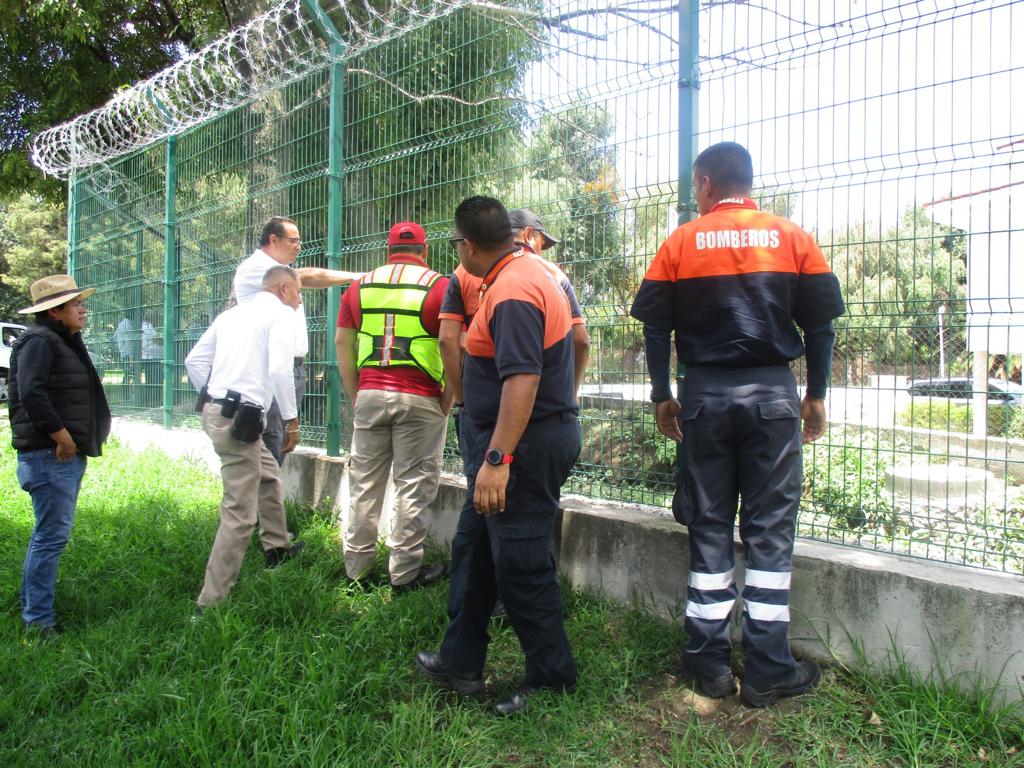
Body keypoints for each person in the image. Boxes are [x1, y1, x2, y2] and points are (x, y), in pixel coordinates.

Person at [629, 142, 845, 707]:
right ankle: (770, 668)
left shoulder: (681, 242)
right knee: (770, 530)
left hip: (704, 398)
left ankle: (709, 664)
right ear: (747, 182)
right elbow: (821, 326)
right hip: (773, 396)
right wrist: (816, 395)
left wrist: (662, 395)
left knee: (709, 524)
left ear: (705, 184)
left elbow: (654, 327)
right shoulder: (792, 238)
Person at [416, 196, 581, 716]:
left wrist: (497, 459)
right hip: (515, 442)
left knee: (521, 562)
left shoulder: (512, 290)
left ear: (467, 245)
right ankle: (460, 661)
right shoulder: (518, 274)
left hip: (523, 448)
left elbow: (523, 379)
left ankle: (552, 680)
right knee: (475, 549)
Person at [334, 221, 450, 591]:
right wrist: (449, 396)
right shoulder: (439, 286)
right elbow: (451, 343)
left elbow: (342, 342)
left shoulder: (360, 287)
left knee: (364, 484)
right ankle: (404, 575)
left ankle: (356, 571)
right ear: (424, 250)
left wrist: (357, 393)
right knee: (412, 486)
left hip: (370, 393)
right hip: (421, 397)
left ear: (389, 250)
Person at [185, 266, 307, 612]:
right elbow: (280, 370)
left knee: (268, 475)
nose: (300, 300)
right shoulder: (280, 315)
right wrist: (291, 420)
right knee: (239, 513)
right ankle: (210, 603)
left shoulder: (232, 315)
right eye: (298, 292)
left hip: (221, 413)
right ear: (283, 289)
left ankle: (278, 548)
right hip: (241, 420)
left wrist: (216, 397)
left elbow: (194, 361)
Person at [9, 275, 112, 636]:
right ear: (55, 311)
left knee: (48, 534)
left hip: (59, 455)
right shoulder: (40, 340)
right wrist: (62, 436)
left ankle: (32, 607)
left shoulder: (61, 340)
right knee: (50, 536)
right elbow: (31, 393)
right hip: (50, 455)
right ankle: (38, 622)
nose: (83, 309)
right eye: (76, 304)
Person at [233, 216, 361, 465]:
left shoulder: (277, 272)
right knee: (270, 440)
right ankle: (262, 489)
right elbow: (308, 275)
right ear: (273, 240)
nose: (299, 247)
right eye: (293, 241)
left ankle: (268, 488)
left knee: (279, 441)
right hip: (270, 367)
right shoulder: (257, 268)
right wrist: (356, 276)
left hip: (293, 367)